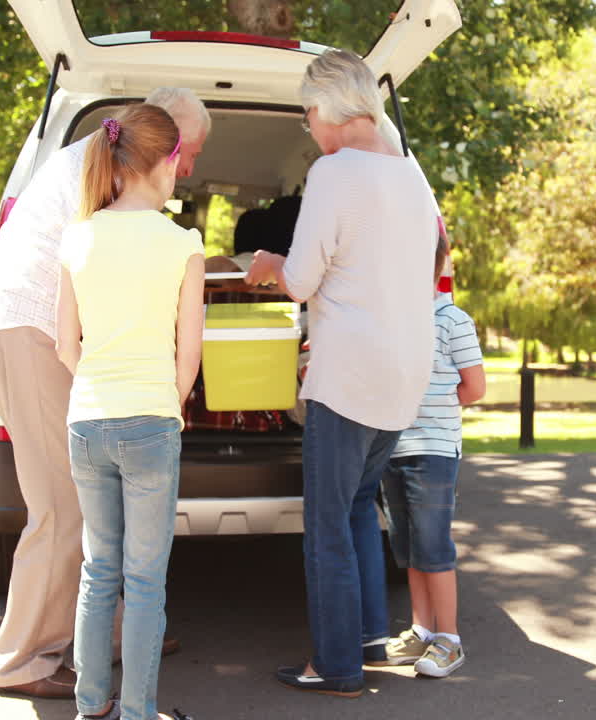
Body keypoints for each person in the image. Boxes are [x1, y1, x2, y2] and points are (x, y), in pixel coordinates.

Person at [0, 88, 209, 699]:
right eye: (187, 152)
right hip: (28, 330)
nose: (187, 167)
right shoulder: (102, 176)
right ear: (159, 141)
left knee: (88, 500)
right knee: (62, 504)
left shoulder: (96, 161)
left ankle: (117, 631)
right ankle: (25, 660)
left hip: (30, 330)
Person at [245, 48, 438, 698]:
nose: (310, 128)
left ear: (328, 108)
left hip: (347, 376)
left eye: (306, 115)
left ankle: (335, 668)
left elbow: (300, 282)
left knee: (325, 521)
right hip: (405, 376)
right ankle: (366, 638)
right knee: (360, 505)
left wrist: (271, 261)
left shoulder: (334, 172)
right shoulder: (411, 173)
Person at [55, 104, 204, 720]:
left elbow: (66, 346)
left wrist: (100, 387)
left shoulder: (79, 235)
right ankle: (138, 713)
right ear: (166, 163)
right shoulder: (182, 243)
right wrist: (166, 402)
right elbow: (188, 356)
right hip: (150, 420)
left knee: (99, 571)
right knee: (144, 582)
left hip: (87, 421)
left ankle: (91, 707)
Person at [377, 235, 485, 677]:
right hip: (394, 448)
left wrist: (431, 409)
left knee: (434, 546)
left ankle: (450, 639)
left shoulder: (452, 320)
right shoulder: (390, 320)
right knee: (408, 546)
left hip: (434, 450)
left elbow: (474, 388)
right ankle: (422, 630)